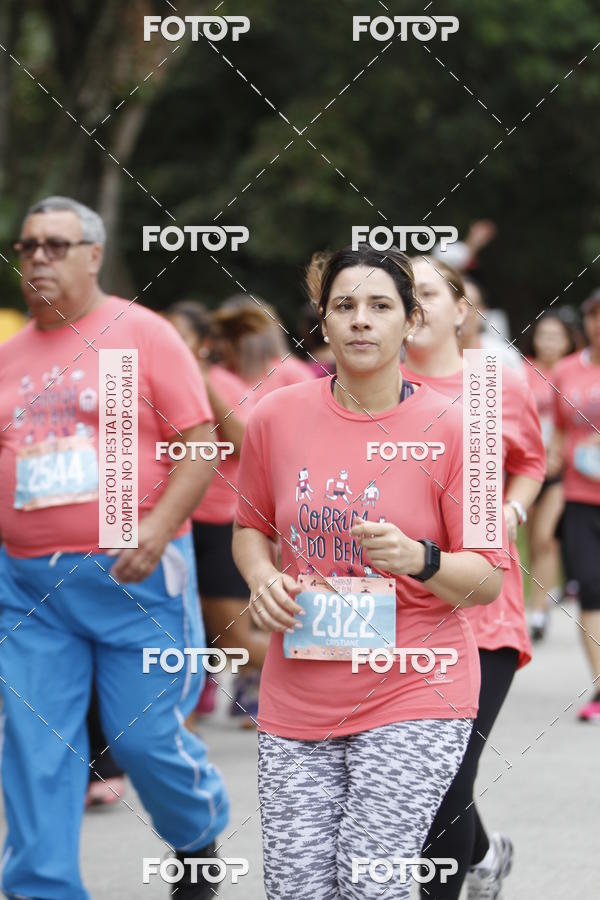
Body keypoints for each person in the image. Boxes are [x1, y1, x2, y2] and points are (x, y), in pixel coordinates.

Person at [232, 244, 509, 900]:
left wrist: (421, 558)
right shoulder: (275, 416)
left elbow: (489, 578)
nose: (361, 320)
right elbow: (249, 529)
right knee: (297, 886)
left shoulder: (458, 429)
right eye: (344, 306)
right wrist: (262, 579)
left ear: (411, 321)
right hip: (299, 686)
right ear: (322, 322)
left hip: (416, 685)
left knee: (369, 878)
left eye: (380, 306)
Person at [0, 196, 228, 899]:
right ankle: (42, 888)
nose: (38, 256)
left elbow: (200, 446)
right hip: (29, 589)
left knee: (141, 741)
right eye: (28, 245)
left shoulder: (143, 333)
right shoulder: (8, 357)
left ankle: (197, 834)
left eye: (56, 245)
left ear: (93, 255)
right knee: (35, 750)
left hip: (137, 581)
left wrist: (158, 530)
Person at [402, 256, 545, 900]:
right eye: (405, 293)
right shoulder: (371, 382)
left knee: (451, 771)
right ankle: (483, 856)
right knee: (427, 777)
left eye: (430, 292)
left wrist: (512, 506)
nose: (417, 304)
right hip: (403, 609)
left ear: (461, 308)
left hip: (485, 610)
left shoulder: (495, 383)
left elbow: (532, 461)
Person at [164, 300, 265, 725]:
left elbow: (246, 444)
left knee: (234, 639)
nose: (170, 343)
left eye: (180, 335)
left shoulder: (223, 382)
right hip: (169, 526)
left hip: (220, 525)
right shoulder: (149, 384)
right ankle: (181, 732)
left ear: (204, 345)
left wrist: (201, 382)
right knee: (179, 638)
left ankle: (340, 663)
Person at [549, 289, 600, 721]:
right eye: (596, 317)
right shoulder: (566, 371)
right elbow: (560, 431)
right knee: (589, 586)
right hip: (580, 496)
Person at [522, 311, 577, 641]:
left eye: (557, 336)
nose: (549, 342)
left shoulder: (575, 373)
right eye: (543, 335)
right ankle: (533, 606)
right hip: (526, 466)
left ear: (568, 340)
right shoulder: (522, 371)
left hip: (559, 469)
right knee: (528, 540)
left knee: (546, 538)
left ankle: (540, 611)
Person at [460, 275, 523, 373]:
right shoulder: (432, 357)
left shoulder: (505, 357)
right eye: (456, 305)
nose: (462, 313)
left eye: (469, 305)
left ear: (482, 311)